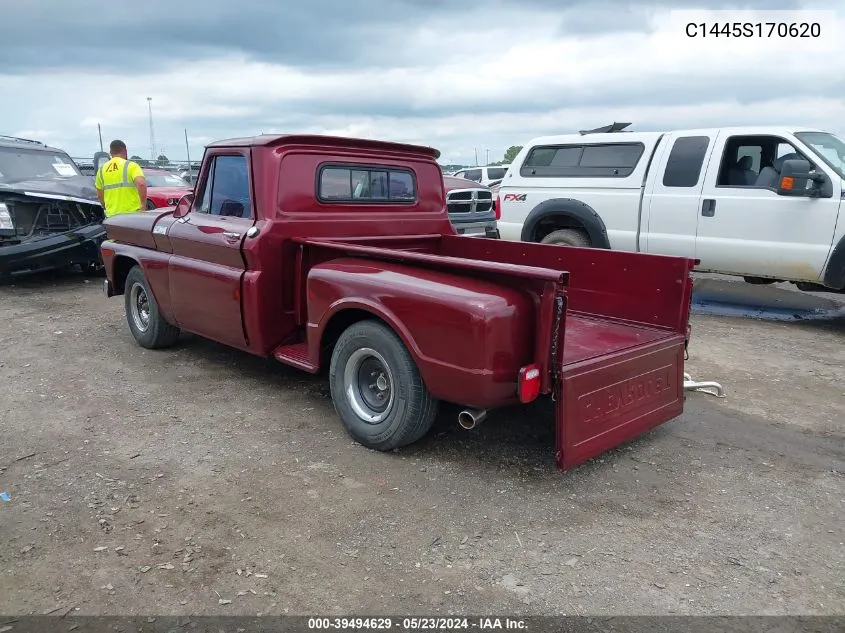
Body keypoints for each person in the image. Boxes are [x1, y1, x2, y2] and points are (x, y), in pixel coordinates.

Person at [95, 140, 147, 216]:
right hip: (132, 214)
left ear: (110, 152)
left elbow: (100, 195)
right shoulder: (131, 165)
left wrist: (105, 207)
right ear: (125, 151)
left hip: (111, 216)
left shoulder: (101, 170)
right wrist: (143, 205)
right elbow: (141, 184)